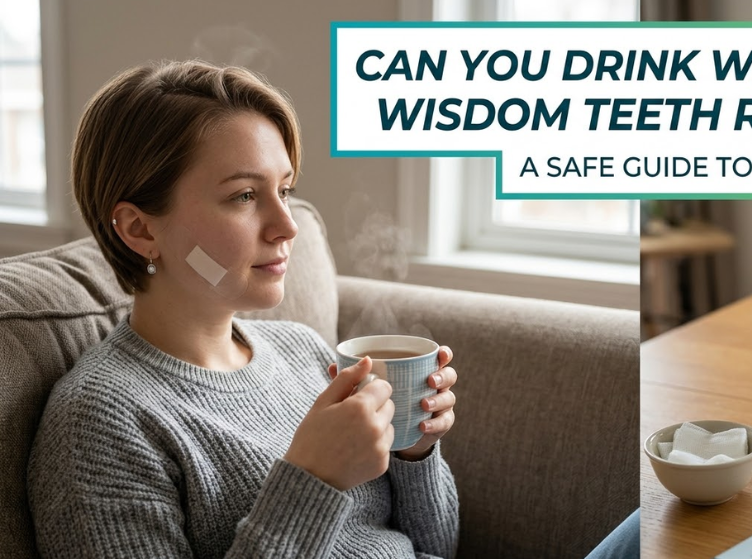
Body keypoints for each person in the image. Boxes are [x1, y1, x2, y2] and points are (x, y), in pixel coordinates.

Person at [27, 60, 459, 558]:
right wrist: (314, 481)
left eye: (285, 189)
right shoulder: (102, 421)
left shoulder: (303, 351)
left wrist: (414, 449)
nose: (287, 225)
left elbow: (436, 547)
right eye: (245, 195)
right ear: (140, 230)